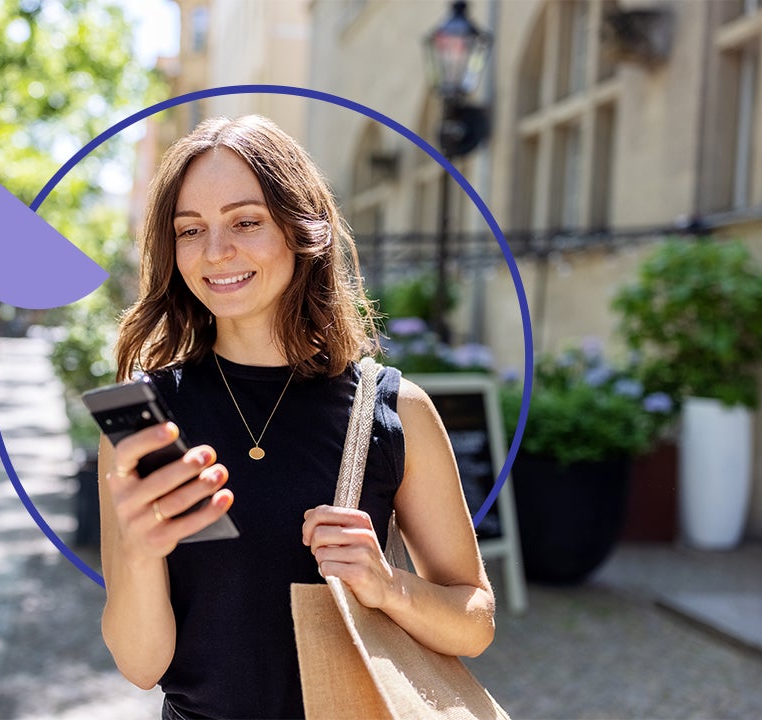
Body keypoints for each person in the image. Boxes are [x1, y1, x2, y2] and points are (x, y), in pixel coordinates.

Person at [98, 115, 496, 720]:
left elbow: (475, 622)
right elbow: (142, 665)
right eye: (190, 230)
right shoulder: (145, 418)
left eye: (246, 221)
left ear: (301, 229)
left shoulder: (393, 409)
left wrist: (388, 585)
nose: (216, 251)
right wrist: (138, 551)